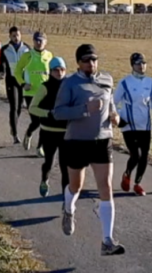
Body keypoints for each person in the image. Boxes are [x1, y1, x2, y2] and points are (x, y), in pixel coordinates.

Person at [52, 44, 125, 256]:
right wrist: (85, 109)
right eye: (86, 60)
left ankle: (107, 240)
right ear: (78, 63)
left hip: (102, 140)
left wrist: (114, 116)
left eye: (94, 59)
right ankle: (68, 208)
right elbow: (58, 113)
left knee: (106, 186)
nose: (91, 64)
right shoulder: (69, 84)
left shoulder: (107, 80)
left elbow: (110, 103)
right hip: (76, 141)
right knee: (76, 185)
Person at [114, 52, 152, 196]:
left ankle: (137, 183)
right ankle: (127, 174)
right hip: (128, 124)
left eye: (143, 63)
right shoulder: (125, 82)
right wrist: (118, 116)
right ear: (132, 65)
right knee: (135, 154)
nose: (141, 66)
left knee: (144, 155)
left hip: (145, 125)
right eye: (138, 63)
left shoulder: (151, 83)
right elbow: (113, 101)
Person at [29, 56, 69, 198]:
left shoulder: (69, 86)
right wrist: (48, 113)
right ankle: (44, 180)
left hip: (66, 132)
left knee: (66, 167)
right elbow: (32, 108)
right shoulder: (44, 87)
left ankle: (66, 197)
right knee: (49, 162)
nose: (59, 73)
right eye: (56, 70)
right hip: (49, 131)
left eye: (62, 69)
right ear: (50, 71)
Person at [15, 31, 53, 156]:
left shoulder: (49, 56)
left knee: (44, 122)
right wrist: (22, 83)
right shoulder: (27, 56)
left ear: (46, 42)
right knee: (36, 121)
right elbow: (17, 71)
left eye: (41, 40)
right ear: (33, 41)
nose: (39, 42)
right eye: (36, 40)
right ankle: (29, 133)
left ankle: (39, 147)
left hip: (45, 93)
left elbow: (53, 73)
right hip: (30, 93)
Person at [0, 26, 31, 143]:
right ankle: (15, 133)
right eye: (13, 36)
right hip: (11, 80)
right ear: (10, 36)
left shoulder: (27, 49)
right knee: (14, 106)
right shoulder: (5, 49)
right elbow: (1, 63)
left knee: (19, 107)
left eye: (17, 35)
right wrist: (1, 72)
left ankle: (13, 125)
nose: (16, 38)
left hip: (23, 80)